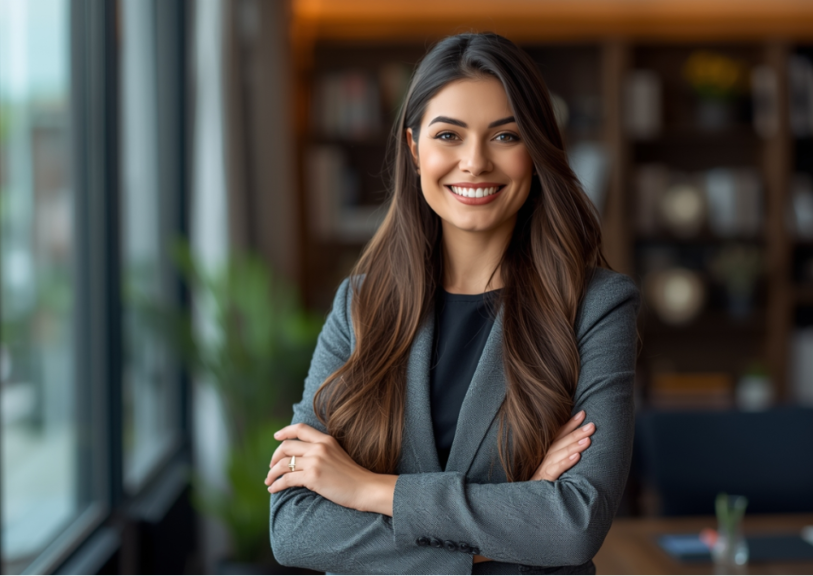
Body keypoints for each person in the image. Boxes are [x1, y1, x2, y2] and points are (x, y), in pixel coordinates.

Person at [265, 32, 639, 575]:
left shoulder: (596, 306)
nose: (475, 162)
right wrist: (511, 522)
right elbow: (295, 529)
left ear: (535, 150)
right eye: (449, 135)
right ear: (416, 150)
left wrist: (370, 489)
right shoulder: (360, 307)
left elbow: (573, 525)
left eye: (505, 136)